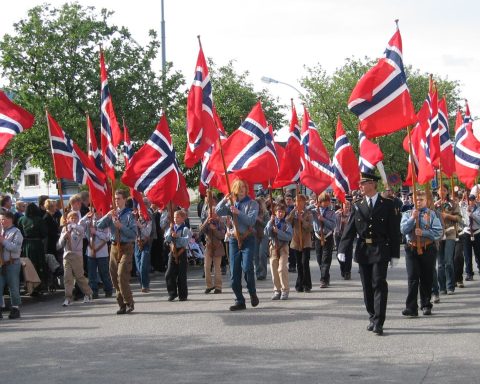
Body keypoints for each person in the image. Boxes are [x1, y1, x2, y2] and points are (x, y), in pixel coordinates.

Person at [338, 172, 400, 336]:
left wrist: (395, 254)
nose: (360, 186)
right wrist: (342, 248)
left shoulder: (387, 204)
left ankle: (379, 321)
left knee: (379, 283)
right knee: (367, 286)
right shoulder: (358, 205)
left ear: (373, 184)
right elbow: (350, 229)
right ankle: (372, 316)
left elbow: (393, 230)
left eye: (363, 183)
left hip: (380, 248)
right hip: (363, 249)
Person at [216, 179, 259, 311]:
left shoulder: (252, 204)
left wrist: (238, 212)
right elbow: (217, 211)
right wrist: (224, 200)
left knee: (247, 267)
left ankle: (252, 292)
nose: (240, 190)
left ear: (246, 189)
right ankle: (239, 300)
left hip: (247, 238)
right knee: (234, 273)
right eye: (238, 188)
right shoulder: (232, 203)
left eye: (243, 188)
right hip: (234, 239)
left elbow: (251, 221)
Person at [400, 190, 443, 316]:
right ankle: (411, 307)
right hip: (412, 247)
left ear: (426, 201)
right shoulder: (408, 214)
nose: (418, 202)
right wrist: (413, 218)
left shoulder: (432, 214)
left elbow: (438, 232)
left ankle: (426, 304)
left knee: (426, 277)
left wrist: (424, 233)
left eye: (421, 200)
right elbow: (403, 230)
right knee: (412, 277)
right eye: (416, 200)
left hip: (427, 247)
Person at [97, 189, 136, 314]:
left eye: (119, 198)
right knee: (114, 277)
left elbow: (133, 234)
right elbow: (99, 225)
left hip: (126, 247)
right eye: (115, 198)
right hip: (114, 247)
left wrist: (121, 227)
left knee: (121, 275)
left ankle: (129, 302)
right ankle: (121, 305)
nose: (116, 200)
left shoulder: (130, 215)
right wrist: (107, 216)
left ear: (124, 199)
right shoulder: (113, 213)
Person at [57, 211, 93, 306]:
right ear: (67, 219)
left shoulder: (79, 228)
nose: (73, 219)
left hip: (76, 255)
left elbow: (80, 231)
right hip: (67, 255)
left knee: (79, 276)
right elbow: (59, 245)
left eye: (75, 218)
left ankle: (88, 293)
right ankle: (68, 297)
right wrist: (64, 236)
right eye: (71, 218)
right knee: (67, 277)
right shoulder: (64, 229)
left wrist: (72, 225)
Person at [433, 184, 461, 296]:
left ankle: (450, 286)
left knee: (448, 261)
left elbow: (458, 218)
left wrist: (448, 216)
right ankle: (442, 287)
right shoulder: (435, 204)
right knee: (440, 264)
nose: (442, 192)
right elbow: (429, 216)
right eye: (440, 191)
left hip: (450, 233)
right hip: (439, 235)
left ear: (447, 191)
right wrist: (434, 207)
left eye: (444, 190)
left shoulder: (453, 203)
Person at [79, 211, 113, 299]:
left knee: (104, 273)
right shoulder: (89, 222)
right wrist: (86, 216)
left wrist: (96, 232)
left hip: (102, 252)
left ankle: (108, 290)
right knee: (91, 274)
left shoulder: (105, 222)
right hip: (91, 251)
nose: (97, 214)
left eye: (99, 212)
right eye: (95, 212)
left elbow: (107, 237)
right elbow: (80, 225)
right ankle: (93, 291)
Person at [18, 203, 48, 294]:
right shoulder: (39, 220)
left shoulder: (21, 219)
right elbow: (44, 233)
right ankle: (38, 286)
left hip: (26, 244)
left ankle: (29, 286)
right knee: (38, 264)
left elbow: (20, 232)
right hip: (37, 244)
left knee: (27, 265)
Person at [264, 203, 293, 300]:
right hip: (273, 247)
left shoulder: (287, 224)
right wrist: (270, 222)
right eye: (279, 212)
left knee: (281, 268)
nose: (280, 214)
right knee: (274, 269)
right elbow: (266, 233)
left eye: (282, 212)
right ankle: (277, 290)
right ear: (275, 213)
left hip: (283, 248)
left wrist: (278, 232)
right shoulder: (272, 222)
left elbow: (289, 236)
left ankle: (285, 290)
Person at [286, 194, 313, 293]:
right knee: (299, 264)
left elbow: (310, 228)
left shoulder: (308, 213)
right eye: (297, 201)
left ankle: (307, 285)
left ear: (304, 202)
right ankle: (300, 284)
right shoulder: (294, 213)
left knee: (304, 262)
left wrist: (302, 221)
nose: (298, 203)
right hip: (296, 241)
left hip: (306, 241)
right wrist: (293, 212)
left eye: (300, 201)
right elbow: (287, 221)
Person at [0, 211, 24, 319]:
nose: (1, 221)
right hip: (1, 264)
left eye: (3, 219)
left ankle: (15, 308)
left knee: (13, 287)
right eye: (0, 219)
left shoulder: (16, 232)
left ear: (10, 219)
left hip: (12, 263)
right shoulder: (1, 231)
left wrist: (3, 241)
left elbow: (15, 248)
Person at [164, 209, 191, 301]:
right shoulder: (172, 228)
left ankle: (183, 295)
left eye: (178, 217)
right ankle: (172, 293)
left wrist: (178, 237)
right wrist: (170, 235)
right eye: (174, 217)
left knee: (181, 274)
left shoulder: (185, 229)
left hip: (181, 252)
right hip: (173, 251)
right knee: (169, 273)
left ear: (183, 218)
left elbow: (186, 241)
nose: (175, 219)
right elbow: (167, 240)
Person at [199, 205, 225, 294]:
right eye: (210, 212)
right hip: (209, 247)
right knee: (206, 267)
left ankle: (218, 287)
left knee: (217, 268)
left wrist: (214, 230)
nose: (212, 214)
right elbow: (201, 230)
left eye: (214, 212)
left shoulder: (220, 223)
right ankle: (209, 286)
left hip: (218, 247)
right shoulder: (207, 222)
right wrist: (207, 221)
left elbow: (221, 236)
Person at [312, 192, 336, 288]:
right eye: (323, 201)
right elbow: (304, 210)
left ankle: (323, 280)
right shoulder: (314, 210)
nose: (326, 203)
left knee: (326, 259)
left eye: (327, 201)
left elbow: (333, 225)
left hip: (328, 236)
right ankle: (326, 275)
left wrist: (323, 219)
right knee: (319, 259)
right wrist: (312, 205)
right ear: (320, 202)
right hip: (318, 236)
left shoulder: (331, 212)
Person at [133, 209, 153, 293]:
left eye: (142, 210)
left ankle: (145, 285)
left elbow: (147, 233)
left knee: (143, 266)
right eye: (139, 210)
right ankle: (142, 284)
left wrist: (140, 226)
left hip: (145, 244)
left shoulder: (149, 222)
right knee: (138, 267)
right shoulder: (134, 220)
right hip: (137, 244)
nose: (141, 211)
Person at [335, 197, 353, 280]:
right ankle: (343, 268)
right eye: (345, 206)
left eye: (348, 206)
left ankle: (347, 272)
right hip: (339, 236)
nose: (347, 207)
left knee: (348, 255)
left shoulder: (352, 215)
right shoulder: (337, 214)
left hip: (348, 236)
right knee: (338, 254)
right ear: (342, 206)